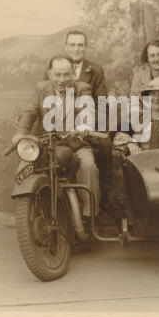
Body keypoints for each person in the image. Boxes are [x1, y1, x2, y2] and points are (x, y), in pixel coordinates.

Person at [12, 55, 100, 218]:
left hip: (75, 143)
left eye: (66, 74)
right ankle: (27, 213)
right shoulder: (41, 89)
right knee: (25, 163)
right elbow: (30, 112)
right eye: (58, 74)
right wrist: (20, 134)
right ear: (50, 74)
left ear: (73, 73)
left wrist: (85, 125)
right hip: (46, 143)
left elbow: (87, 108)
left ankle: (89, 216)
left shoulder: (82, 88)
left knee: (88, 166)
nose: (62, 79)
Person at [44, 30, 112, 205]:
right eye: (72, 45)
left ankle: (102, 196)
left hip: (89, 123)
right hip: (61, 126)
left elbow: (100, 103)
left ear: (86, 47)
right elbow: (46, 98)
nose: (76, 48)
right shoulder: (56, 67)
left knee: (104, 146)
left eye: (80, 45)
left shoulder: (95, 70)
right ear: (66, 46)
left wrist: (86, 124)